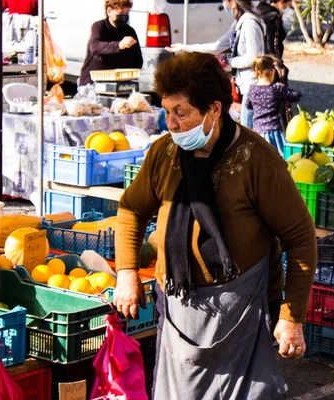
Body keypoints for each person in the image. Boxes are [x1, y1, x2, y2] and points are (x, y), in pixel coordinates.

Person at [114, 52, 316, 399]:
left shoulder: (258, 161)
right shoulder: (164, 154)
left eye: (182, 112)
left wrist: (291, 316)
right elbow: (131, 210)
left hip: (243, 314)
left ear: (214, 110)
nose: (171, 123)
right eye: (167, 111)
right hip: (178, 309)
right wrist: (127, 271)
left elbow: (300, 239)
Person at [166, 0, 264, 129]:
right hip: (244, 86)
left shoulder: (250, 24)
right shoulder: (238, 23)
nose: (223, 5)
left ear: (233, 3)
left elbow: (254, 57)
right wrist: (184, 48)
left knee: (248, 131)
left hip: (252, 85)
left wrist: (229, 61)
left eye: (224, 1)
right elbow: (216, 46)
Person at [79, 0, 143, 87]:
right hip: (94, 81)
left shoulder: (129, 31)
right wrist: (119, 45)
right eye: (121, 12)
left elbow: (137, 58)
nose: (124, 16)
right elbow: (95, 46)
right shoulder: (99, 26)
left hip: (119, 82)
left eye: (126, 12)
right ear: (109, 11)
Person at [246, 55, 300, 155]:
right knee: (278, 160)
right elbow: (296, 96)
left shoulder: (252, 90)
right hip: (274, 133)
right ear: (272, 72)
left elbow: (248, 106)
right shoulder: (276, 89)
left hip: (257, 133)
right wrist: (283, 88)